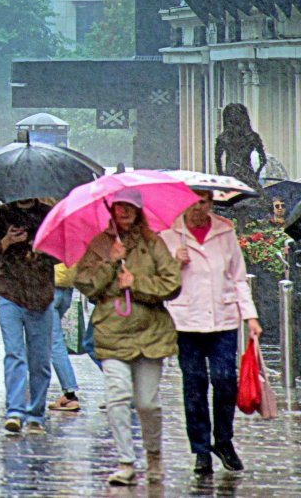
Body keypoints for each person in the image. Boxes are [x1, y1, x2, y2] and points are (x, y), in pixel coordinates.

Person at [74, 188, 181, 486]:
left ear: (138, 210)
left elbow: (172, 283)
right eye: (119, 207)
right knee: (117, 397)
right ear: (112, 209)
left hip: (150, 333)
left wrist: (137, 283)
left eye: (130, 207)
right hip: (112, 332)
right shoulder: (99, 244)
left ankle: (154, 454)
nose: (124, 212)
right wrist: (110, 263)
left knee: (147, 402)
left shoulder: (153, 243)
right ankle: (125, 460)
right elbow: (85, 284)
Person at [160, 189, 263, 475]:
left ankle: (224, 439)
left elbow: (238, 277)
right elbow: (158, 277)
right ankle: (201, 449)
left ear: (211, 203)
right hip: (186, 319)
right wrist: (173, 263)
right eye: (191, 202)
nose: (197, 208)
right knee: (194, 384)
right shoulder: (169, 233)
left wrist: (250, 316)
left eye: (203, 202)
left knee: (225, 379)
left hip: (223, 318)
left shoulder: (224, 232)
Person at [0, 197, 56, 435]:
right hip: (10, 293)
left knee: (40, 360)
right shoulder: (3, 214)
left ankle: (36, 414)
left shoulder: (48, 213)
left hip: (40, 294)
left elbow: (60, 253)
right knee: (14, 353)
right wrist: (6, 240)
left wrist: (40, 248)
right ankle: (14, 411)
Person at [47, 263, 82, 411]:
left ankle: (70, 393)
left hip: (50, 289)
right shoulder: (71, 241)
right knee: (43, 339)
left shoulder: (46, 240)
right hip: (67, 288)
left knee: (54, 342)